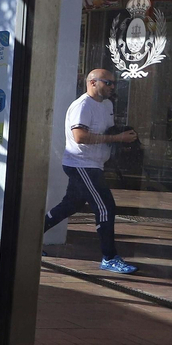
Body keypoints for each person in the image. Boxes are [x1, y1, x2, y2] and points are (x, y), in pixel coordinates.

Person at [44, 68, 139, 273]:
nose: (112, 87)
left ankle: (26, 240)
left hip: (94, 164)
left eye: (114, 83)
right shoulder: (82, 105)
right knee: (105, 207)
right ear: (93, 83)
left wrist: (122, 139)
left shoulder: (107, 105)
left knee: (69, 206)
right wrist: (116, 139)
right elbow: (80, 137)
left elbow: (105, 133)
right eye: (108, 83)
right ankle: (109, 257)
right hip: (82, 164)